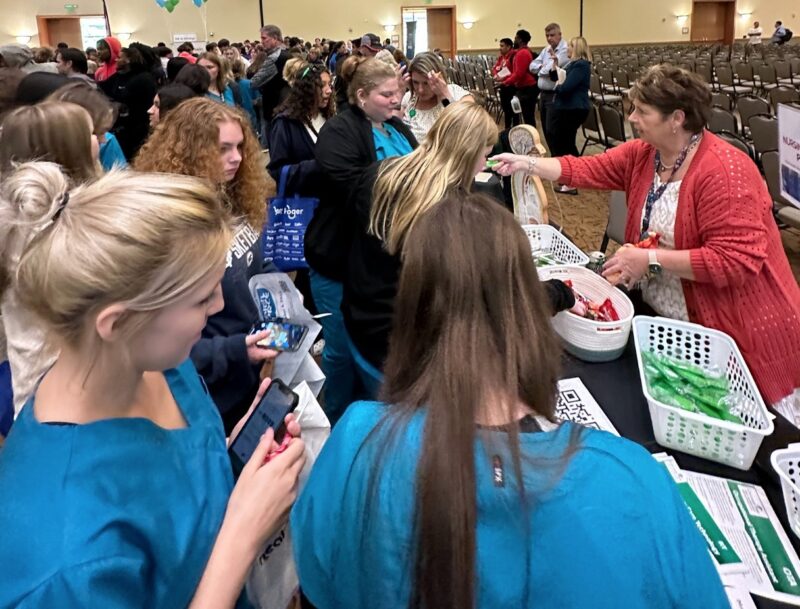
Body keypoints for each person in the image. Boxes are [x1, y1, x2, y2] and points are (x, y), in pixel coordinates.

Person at [291, 191, 729, 609]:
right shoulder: (633, 479)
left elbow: (319, 581)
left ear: (413, 309)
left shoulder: (356, 442)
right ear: (525, 307)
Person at [0, 163, 305, 608]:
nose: (220, 305)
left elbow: (178, 478)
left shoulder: (158, 362)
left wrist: (235, 463)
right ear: (118, 322)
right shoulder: (63, 561)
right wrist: (242, 534)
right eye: (202, 298)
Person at [491, 64, 800, 424]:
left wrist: (649, 259)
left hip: (741, 332)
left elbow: (734, 262)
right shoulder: (644, 154)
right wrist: (526, 163)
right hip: (676, 322)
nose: (632, 117)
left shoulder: (726, 171)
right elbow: (588, 169)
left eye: (642, 111)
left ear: (677, 119)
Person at [134, 98, 276, 432]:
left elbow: (253, 263)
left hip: (247, 369)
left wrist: (277, 291)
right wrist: (232, 350)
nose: (237, 158)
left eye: (240, 146)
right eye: (223, 148)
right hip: (205, 389)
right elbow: (152, 337)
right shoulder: (168, 226)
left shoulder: (233, 200)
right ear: (190, 151)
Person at [343, 102, 496, 397]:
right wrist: (556, 294)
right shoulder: (452, 212)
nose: (484, 166)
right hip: (402, 347)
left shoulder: (383, 173)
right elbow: (477, 293)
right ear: (466, 155)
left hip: (360, 322)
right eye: (484, 156)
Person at [306, 56, 415, 423]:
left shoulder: (396, 127)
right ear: (362, 95)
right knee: (339, 345)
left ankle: (369, 412)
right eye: (387, 95)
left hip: (378, 260)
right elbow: (358, 191)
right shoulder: (339, 131)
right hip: (339, 255)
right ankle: (337, 416)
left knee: (371, 343)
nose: (396, 100)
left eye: (398, 93)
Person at [0, 102, 100, 415]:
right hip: (67, 396)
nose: (99, 139)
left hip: (33, 381)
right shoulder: (44, 229)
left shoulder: (17, 222)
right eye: (91, 133)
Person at [46, 80, 126, 170]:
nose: (104, 140)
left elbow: (122, 178)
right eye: (95, 133)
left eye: (104, 131)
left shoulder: (108, 143)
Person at [547, 36, 592, 194]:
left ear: (577, 48)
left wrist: (557, 87)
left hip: (573, 108)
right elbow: (555, 77)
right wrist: (555, 65)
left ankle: (574, 178)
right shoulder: (572, 64)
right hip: (567, 108)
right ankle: (573, 176)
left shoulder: (581, 65)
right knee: (563, 142)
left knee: (566, 144)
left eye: (570, 46)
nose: (567, 48)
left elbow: (565, 87)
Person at [99, 45, 158, 160]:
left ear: (129, 60)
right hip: (121, 129)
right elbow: (103, 88)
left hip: (137, 129)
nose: (116, 59)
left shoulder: (144, 79)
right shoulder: (119, 76)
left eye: (120, 57)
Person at [400, 51, 473, 143]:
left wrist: (444, 95)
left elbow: (468, 128)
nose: (420, 89)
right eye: (415, 82)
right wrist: (398, 92)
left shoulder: (456, 93)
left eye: (426, 83)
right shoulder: (409, 98)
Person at [529, 23, 569, 149]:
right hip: (543, 94)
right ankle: (553, 154)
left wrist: (541, 69)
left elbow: (551, 70)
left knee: (553, 130)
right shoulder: (546, 49)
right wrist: (544, 67)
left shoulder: (565, 50)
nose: (549, 38)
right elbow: (532, 66)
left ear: (559, 35)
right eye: (547, 35)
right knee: (546, 129)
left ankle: (558, 156)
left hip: (554, 94)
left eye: (552, 35)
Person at [252, 24, 291, 145]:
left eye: (264, 38)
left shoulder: (274, 57)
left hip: (274, 108)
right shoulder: (288, 54)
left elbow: (255, 82)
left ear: (275, 38)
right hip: (286, 106)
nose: (261, 42)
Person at [495, 29, 537, 126]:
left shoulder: (522, 53)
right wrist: (503, 79)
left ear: (520, 40)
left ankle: (532, 138)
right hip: (524, 88)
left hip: (527, 88)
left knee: (528, 118)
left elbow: (518, 74)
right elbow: (515, 73)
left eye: (515, 38)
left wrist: (505, 82)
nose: (514, 40)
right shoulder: (522, 52)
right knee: (526, 116)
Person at [492, 37, 516, 129]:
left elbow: (514, 72)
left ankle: (513, 130)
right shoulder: (501, 57)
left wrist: (502, 78)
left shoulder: (513, 56)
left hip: (511, 87)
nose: (500, 48)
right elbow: (495, 68)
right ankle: (507, 129)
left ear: (509, 47)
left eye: (502, 46)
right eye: (500, 46)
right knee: (506, 110)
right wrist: (496, 76)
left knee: (512, 111)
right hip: (503, 86)